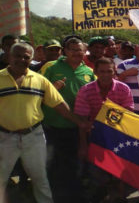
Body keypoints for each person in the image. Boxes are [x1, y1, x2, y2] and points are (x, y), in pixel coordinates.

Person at [0, 43, 89, 203]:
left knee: (40, 178)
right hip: (4, 137)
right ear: (9, 57)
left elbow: (60, 105)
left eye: (26, 57)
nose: (21, 59)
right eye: (17, 56)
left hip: (33, 137)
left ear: (31, 58)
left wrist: (80, 122)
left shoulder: (40, 80)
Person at [41, 37, 95, 203]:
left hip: (77, 127)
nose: (76, 53)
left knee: (74, 164)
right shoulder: (51, 67)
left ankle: (73, 195)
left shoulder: (89, 72)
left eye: (79, 50)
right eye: (72, 49)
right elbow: (36, 92)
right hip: (53, 125)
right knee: (52, 164)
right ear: (64, 51)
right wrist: (52, 88)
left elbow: (95, 97)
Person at [74, 57, 134, 203]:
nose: (106, 75)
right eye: (102, 71)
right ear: (95, 72)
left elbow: (128, 116)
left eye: (109, 71)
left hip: (117, 138)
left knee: (119, 174)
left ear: (114, 71)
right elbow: (82, 121)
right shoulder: (86, 91)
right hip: (94, 138)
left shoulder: (123, 89)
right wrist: (83, 145)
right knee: (96, 175)